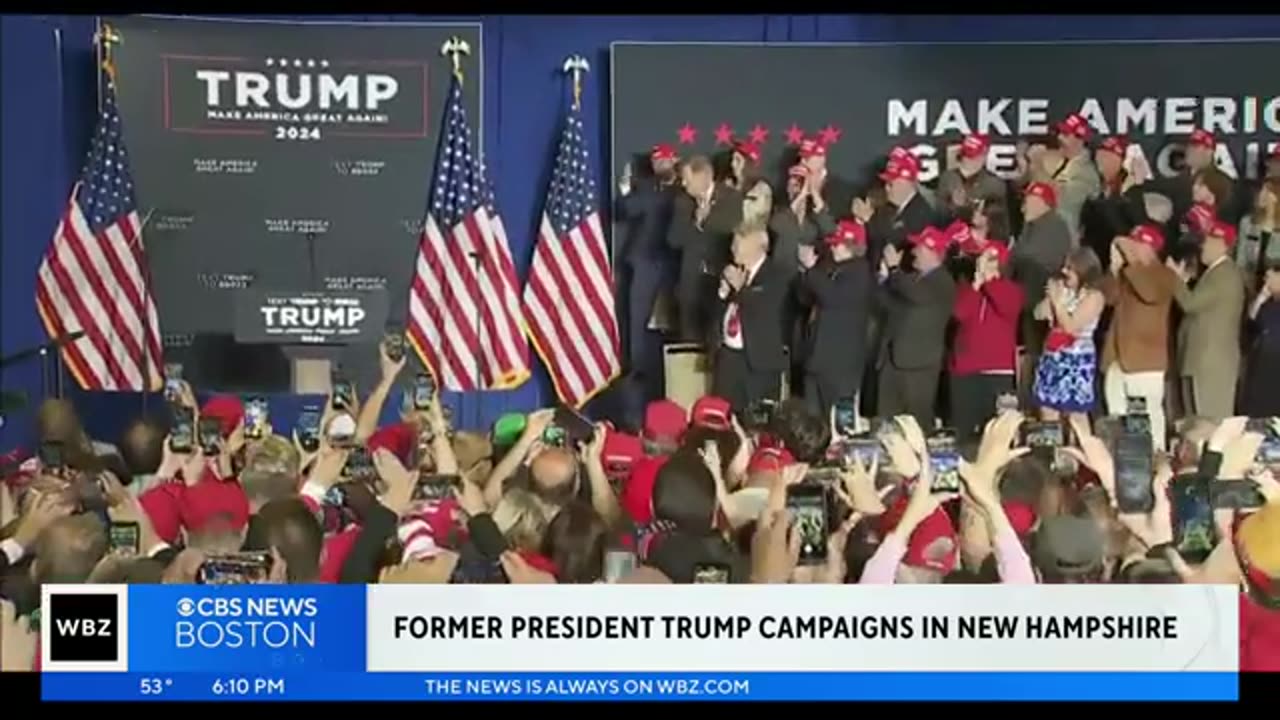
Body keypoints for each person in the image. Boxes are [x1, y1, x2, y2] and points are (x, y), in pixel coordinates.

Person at [1101, 225, 1178, 452]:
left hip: (1145, 361)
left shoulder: (1163, 274)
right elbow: (1108, 297)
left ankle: (1156, 460)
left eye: (1136, 246)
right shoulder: (1127, 273)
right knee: (1116, 417)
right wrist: (1115, 269)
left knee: (1149, 418)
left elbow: (1149, 293)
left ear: (1150, 249)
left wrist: (1129, 256)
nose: (1129, 252)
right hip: (1117, 359)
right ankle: (1120, 461)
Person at [616, 144, 683, 399]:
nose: (659, 165)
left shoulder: (684, 189)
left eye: (664, 160)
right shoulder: (646, 187)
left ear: (674, 160)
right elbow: (626, 210)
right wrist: (625, 190)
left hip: (675, 265)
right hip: (644, 263)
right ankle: (637, 373)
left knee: (672, 324)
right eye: (655, 161)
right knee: (639, 322)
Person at [875, 226, 957, 430]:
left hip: (919, 365)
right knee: (887, 423)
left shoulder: (942, 282)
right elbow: (890, 305)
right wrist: (883, 279)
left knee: (916, 424)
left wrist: (894, 269)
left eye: (918, 248)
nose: (912, 252)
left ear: (932, 251)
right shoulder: (912, 279)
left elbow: (916, 295)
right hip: (893, 361)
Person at [1168, 220, 1245, 421]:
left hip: (1211, 364)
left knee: (1208, 423)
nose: (1203, 246)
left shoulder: (1225, 274)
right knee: (1195, 423)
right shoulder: (1213, 273)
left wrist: (1173, 276)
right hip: (1200, 361)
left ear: (1223, 245)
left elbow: (1190, 304)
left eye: (1208, 241)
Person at [797, 219, 874, 419]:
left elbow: (832, 297)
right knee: (813, 421)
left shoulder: (860, 272)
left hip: (840, 366)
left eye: (837, 244)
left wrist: (812, 269)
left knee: (839, 425)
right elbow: (805, 297)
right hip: (817, 358)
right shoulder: (830, 268)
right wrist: (808, 272)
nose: (833, 248)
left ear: (852, 246)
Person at [950, 243, 1025, 443]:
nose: (979, 265)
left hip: (997, 372)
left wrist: (989, 281)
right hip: (966, 371)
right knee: (963, 432)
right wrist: (976, 284)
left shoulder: (1012, 290)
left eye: (986, 261)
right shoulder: (968, 289)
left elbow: (1006, 307)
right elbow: (959, 312)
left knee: (997, 434)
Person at [710, 223, 788, 413]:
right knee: (724, 414)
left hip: (758, 361)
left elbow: (764, 309)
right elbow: (717, 312)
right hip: (729, 357)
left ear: (757, 247)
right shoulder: (733, 272)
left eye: (738, 245)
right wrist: (722, 293)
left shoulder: (776, 274)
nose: (732, 249)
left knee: (756, 419)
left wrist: (740, 289)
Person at [667, 155, 744, 341]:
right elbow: (673, 239)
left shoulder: (731, 197)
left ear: (703, 176)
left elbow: (727, 229)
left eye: (687, 179)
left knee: (715, 334)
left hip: (718, 280)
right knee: (689, 334)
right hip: (690, 280)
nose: (684, 184)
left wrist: (706, 222)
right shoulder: (682, 202)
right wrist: (696, 222)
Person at [1032, 248, 1106, 426]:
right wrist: (1050, 298)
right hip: (1053, 358)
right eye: (1064, 267)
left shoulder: (1094, 297)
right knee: (1047, 409)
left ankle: (1079, 450)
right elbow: (1038, 314)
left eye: (1070, 268)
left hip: (1076, 362)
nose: (1064, 272)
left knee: (1076, 415)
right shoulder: (1064, 292)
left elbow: (1071, 327)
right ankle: (1051, 450)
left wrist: (1058, 303)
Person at [856, 151, 936, 271]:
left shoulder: (921, 213)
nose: (886, 189)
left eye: (891, 184)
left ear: (906, 183)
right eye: (885, 183)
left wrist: (869, 220)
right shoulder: (885, 209)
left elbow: (894, 243)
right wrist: (863, 220)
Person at [1081, 135, 1148, 269]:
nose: (1101, 162)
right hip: (1095, 259)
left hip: (1121, 261)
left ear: (1120, 161)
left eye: (1107, 157)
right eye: (1100, 157)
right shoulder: (1097, 188)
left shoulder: (1130, 191)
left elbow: (1137, 228)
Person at [1049, 113, 1102, 242]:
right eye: (1060, 133)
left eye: (1066, 135)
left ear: (1080, 140)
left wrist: (1038, 166)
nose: (1059, 138)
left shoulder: (1085, 173)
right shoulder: (1063, 164)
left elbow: (1058, 201)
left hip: (1066, 242)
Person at [937, 133, 1007, 222]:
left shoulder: (995, 185)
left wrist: (964, 207)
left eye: (973, 156)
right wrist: (951, 206)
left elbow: (996, 224)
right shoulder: (947, 178)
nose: (967, 159)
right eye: (965, 154)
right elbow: (939, 216)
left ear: (984, 155)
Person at [1243, 261, 1280, 418]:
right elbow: (1252, 321)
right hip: (1260, 364)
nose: (1266, 282)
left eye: (1270, 277)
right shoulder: (1268, 302)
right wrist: (1261, 297)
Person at [1237, 177, 1280, 295]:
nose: (1262, 194)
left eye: (1268, 191)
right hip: (1249, 283)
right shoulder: (1247, 222)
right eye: (1262, 190)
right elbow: (1241, 260)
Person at [728, 140, 772, 226]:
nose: (732, 164)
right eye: (732, 159)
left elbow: (756, 220)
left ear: (749, 163)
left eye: (738, 160)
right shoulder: (726, 185)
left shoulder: (761, 190)